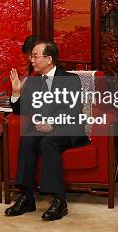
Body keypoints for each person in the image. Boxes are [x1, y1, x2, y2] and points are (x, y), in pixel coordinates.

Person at [5, 40, 89, 221]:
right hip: (41, 129)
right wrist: (16, 93)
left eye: (35, 56)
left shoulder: (70, 79)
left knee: (49, 141)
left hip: (66, 127)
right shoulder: (34, 82)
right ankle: (27, 196)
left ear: (49, 59)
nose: (31, 59)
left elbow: (74, 110)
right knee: (27, 139)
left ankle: (59, 200)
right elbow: (22, 111)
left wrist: (52, 123)